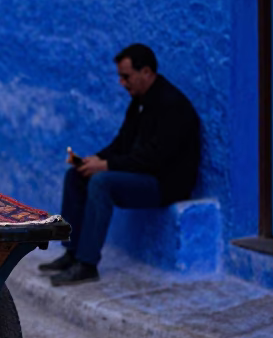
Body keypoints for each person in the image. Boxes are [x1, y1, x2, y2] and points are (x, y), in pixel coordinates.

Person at [40, 44, 200, 286]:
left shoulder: (172, 105)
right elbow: (122, 142)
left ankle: (87, 264)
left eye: (126, 76)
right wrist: (94, 160)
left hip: (165, 184)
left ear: (146, 72)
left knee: (101, 182)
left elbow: (154, 160)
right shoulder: (139, 102)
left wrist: (106, 166)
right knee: (76, 176)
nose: (122, 83)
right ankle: (72, 253)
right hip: (143, 175)